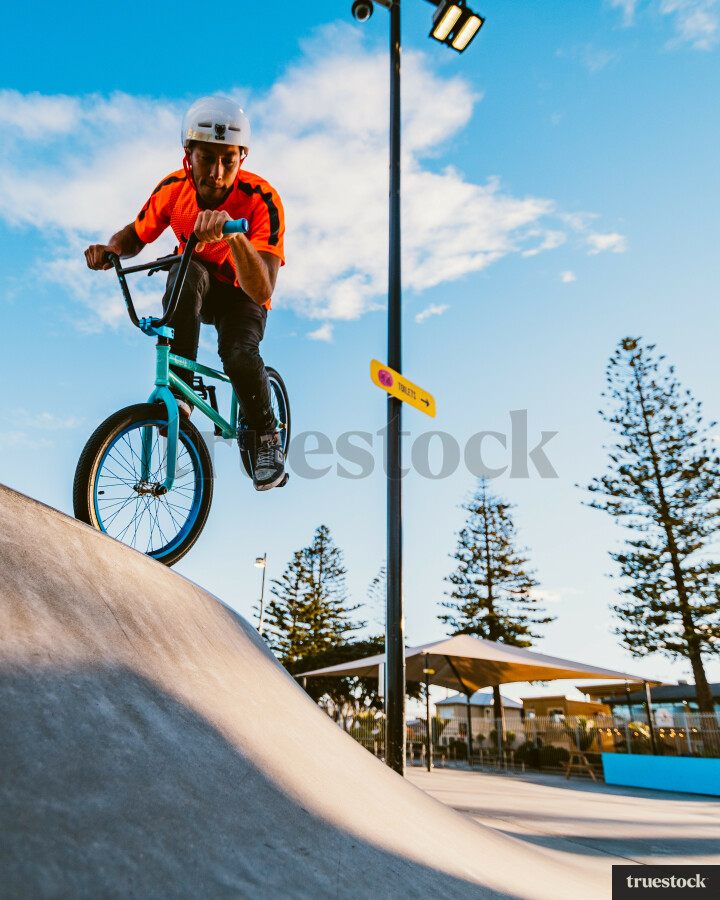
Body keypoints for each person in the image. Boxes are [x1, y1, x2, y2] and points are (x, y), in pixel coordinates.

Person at [85, 97, 286, 491]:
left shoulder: (262, 199)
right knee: (185, 267)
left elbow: (261, 287)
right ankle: (180, 390)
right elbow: (136, 233)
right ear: (187, 155)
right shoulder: (174, 191)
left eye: (229, 160)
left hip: (243, 294)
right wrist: (112, 249)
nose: (216, 173)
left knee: (238, 354)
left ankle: (266, 437)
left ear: (241, 157)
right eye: (206, 158)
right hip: (196, 284)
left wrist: (234, 235)